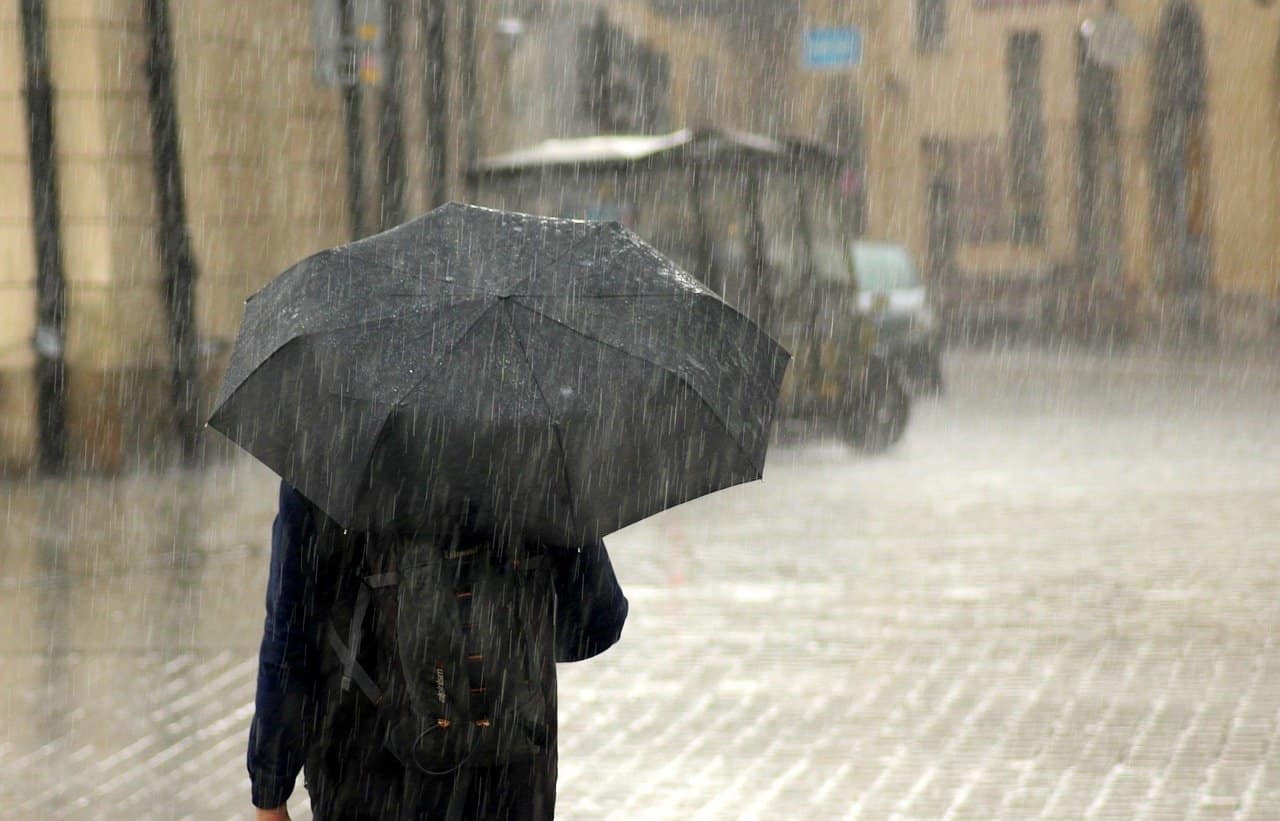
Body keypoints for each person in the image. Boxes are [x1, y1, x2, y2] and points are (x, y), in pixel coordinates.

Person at [249, 481, 629, 820]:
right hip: (510, 762)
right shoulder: (533, 448)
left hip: (366, 765)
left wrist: (270, 786)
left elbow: (290, 634)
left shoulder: (332, 449)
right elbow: (599, 621)